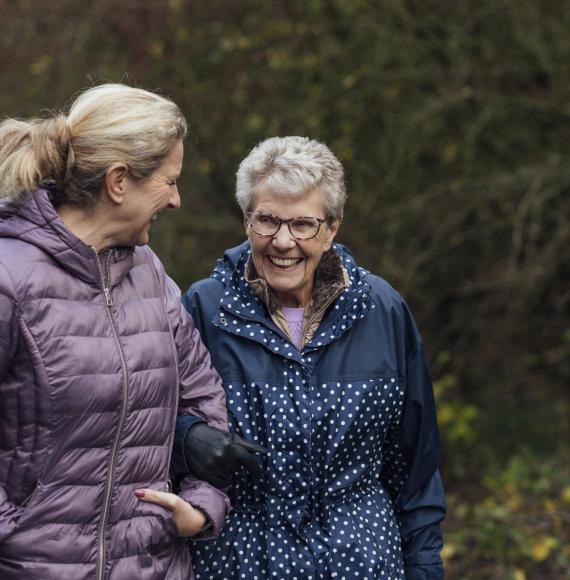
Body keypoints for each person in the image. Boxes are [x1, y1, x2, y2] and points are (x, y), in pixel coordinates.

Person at [176, 136, 446, 579]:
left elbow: (415, 469)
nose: (283, 241)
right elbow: (146, 426)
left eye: (303, 224)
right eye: (267, 221)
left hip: (362, 563)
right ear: (246, 219)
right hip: (238, 562)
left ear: (333, 227)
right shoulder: (204, 308)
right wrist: (186, 437)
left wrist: (425, 568)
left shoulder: (383, 309)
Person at [0, 83, 231, 579]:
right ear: (119, 181)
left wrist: (200, 505)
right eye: (168, 182)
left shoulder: (150, 273)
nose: (176, 200)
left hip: (153, 566)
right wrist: (14, 532)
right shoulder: (9, 277)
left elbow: (202, 399)